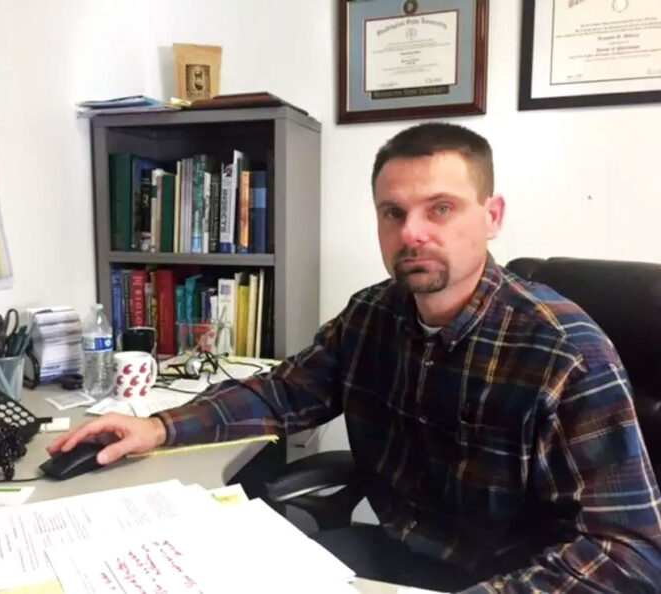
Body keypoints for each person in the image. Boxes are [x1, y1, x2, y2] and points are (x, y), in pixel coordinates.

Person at [49, 123, 661, 592]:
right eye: (393, 213)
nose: (412, 233)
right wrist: (155, 427)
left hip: (518, 579)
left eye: (440, 208)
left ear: (492, 217)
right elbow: (283, 393)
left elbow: (630, 551)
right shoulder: (374, 314)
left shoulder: (566, 353)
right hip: (396, 557)